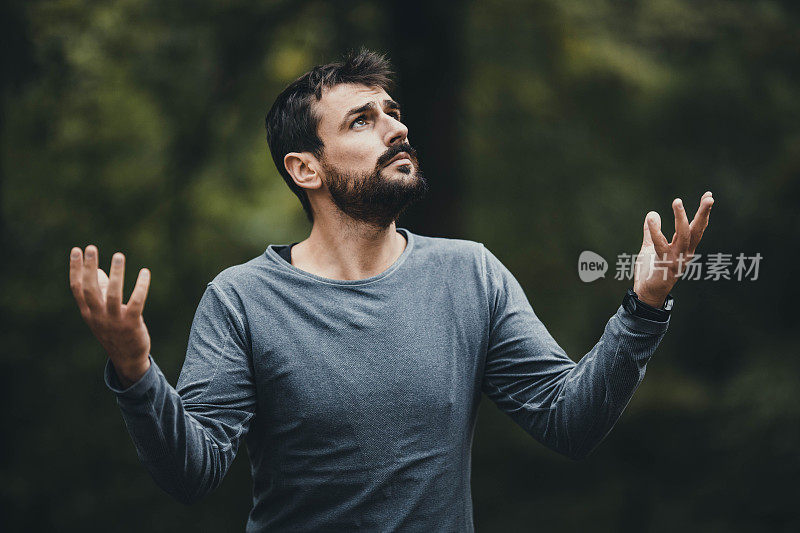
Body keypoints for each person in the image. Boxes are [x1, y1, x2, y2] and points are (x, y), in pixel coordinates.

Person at [68, 49, 714, 531]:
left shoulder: (469, 273)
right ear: (305, 167)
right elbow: (193, 471)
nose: (396, 129)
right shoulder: (242, 299)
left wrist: (643, 308)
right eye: (362, 121)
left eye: (394, 115)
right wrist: (135, 368)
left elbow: (567, 421)